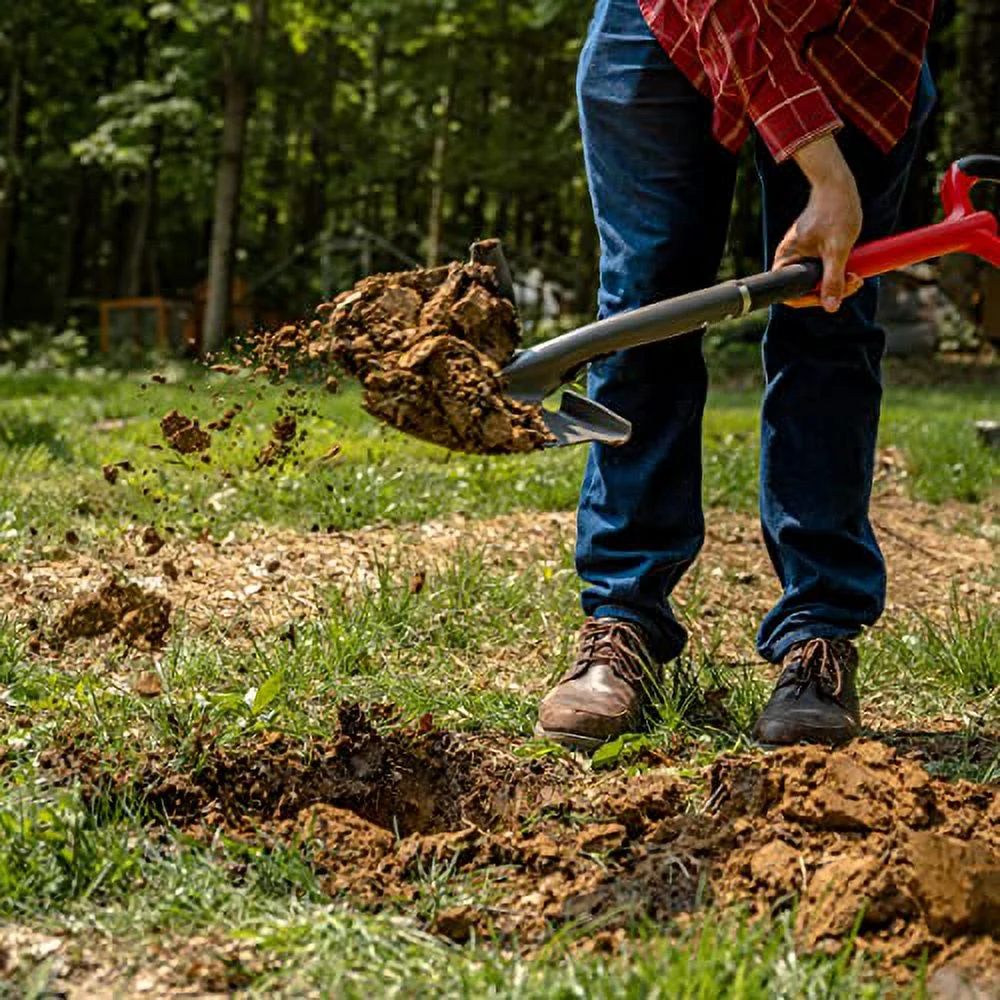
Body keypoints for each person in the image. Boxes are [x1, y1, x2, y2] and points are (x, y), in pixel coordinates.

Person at [535, 0, 937, 751]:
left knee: (830, 313)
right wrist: (821, 166)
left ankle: (818, 635)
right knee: (649, 313)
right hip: (670, 26)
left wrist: (833, 174)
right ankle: (623, 617)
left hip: (860, 40)